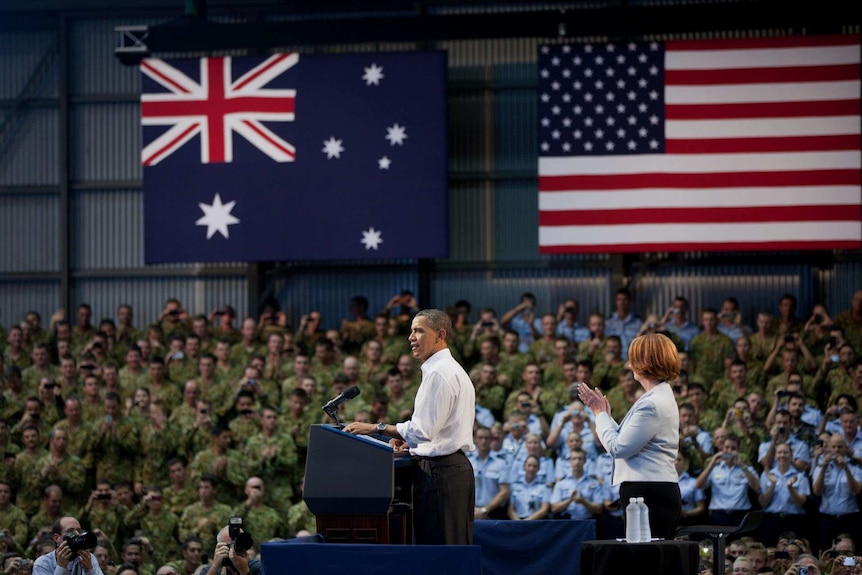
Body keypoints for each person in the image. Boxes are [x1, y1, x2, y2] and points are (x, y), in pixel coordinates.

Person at [344, 308, 476, 545]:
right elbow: (435, 430)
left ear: (440, 334)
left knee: (439, 553)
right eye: (411, 331)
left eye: (419, 331)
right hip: (453, 469)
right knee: (455, 550)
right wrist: (411, 442)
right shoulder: (452, 370)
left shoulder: (439, 373)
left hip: (439, 473)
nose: (411, 337)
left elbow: (423, 431)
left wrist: (376, 428)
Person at [578, 332, 682, 538]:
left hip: (648, 492)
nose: (628, 364)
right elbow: (630, 438)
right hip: (653, 489)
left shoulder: (651, 403)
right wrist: (605, 416)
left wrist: (599, 415)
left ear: (645, 362)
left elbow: (618, 448)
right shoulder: (658, 396)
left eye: (633, 358)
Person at [33, 515, 104, 575]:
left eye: (79, 531)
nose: (77, 534)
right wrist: (61, 567)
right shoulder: (43, 563)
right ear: (57, 538)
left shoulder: (89, 558)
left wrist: (89, 570)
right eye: (70, 531)